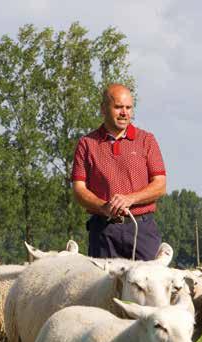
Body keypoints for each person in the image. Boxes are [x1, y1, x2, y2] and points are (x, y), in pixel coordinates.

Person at [70, 83, 166, 260]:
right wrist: (104, 207)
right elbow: (79, 190)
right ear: (103, 109)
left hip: (141, 228)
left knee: (147, 285)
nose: (124, 113)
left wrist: (130, 199)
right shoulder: (87, 143)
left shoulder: (146, 140)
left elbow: (160, 185)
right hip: (103, 230)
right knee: (103, 286)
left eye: (128, 107)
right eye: (118, 107)